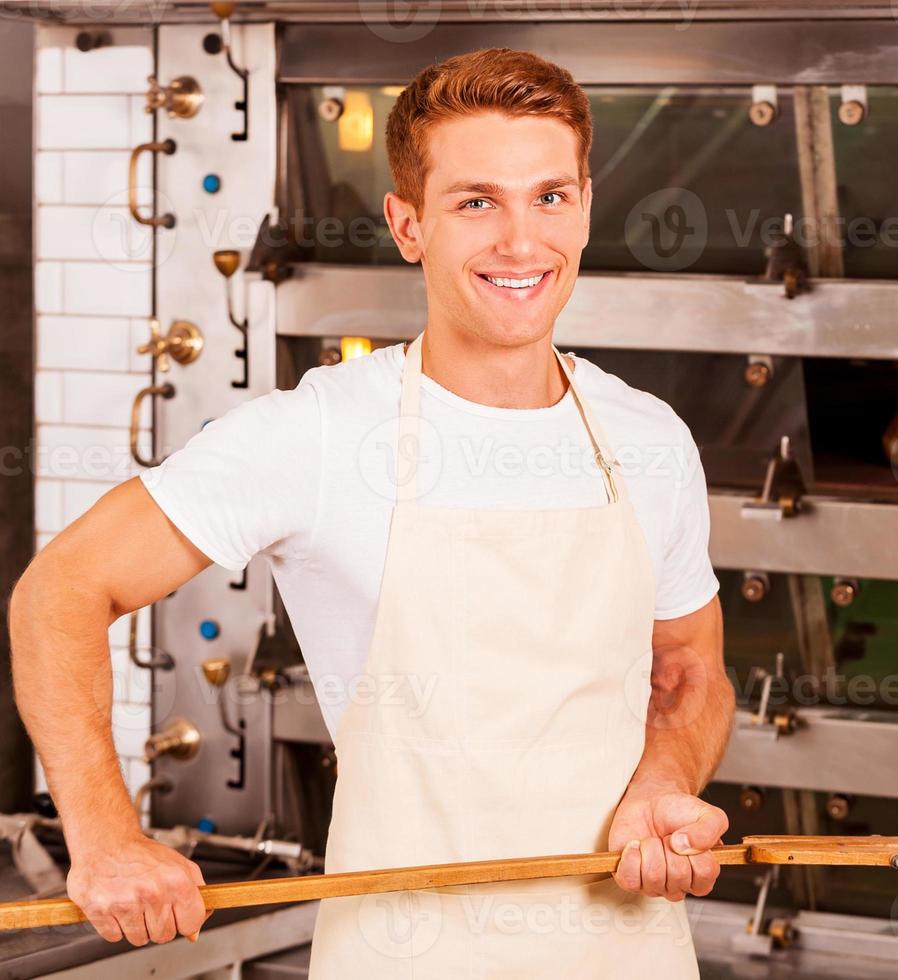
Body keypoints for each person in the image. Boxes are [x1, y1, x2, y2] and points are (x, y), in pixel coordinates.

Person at [9, 47, 733, 976]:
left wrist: (666, 779)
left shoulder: (649, 436)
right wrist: (105, 838)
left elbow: (687, 665)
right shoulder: (315, 433)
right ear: (407, 225)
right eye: (476, 202)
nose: (521, 242)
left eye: (548, 197)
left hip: (626, 948)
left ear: (585, 206)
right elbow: (60, 589)